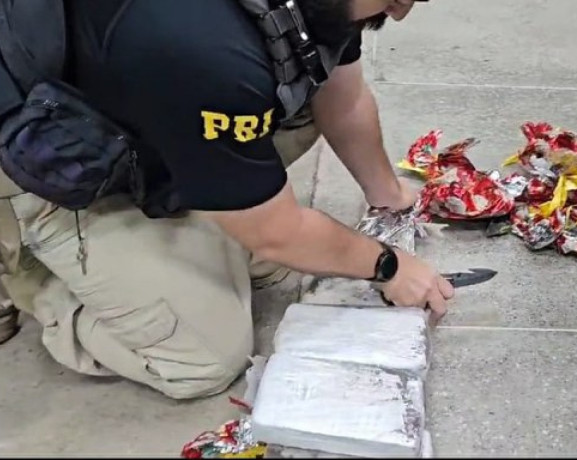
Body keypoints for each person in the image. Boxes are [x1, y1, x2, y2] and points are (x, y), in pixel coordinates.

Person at [0, 0, 454, 400]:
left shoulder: (319, 8)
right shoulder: (207, 52)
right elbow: (276, 235)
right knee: (205, 359)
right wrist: (387, 265)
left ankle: (212, 206)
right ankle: (24, 267)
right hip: (47, 162)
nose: (400, 11)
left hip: (139, 104)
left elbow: (343, 94)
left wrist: (389, 198)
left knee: (297, 106)